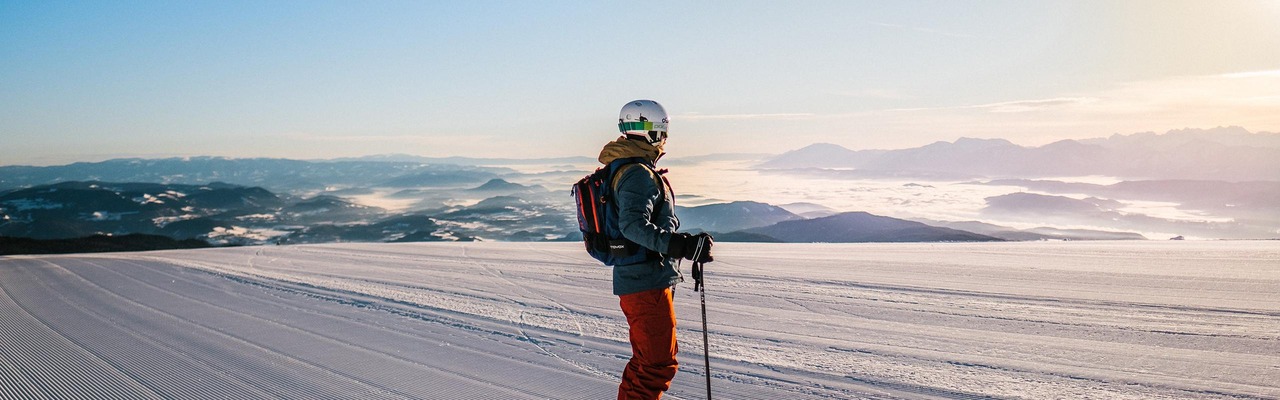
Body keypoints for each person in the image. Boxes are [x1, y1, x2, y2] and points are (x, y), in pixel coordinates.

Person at [599, 99, 714, 400]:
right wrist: (680, 244)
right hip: (645, 281)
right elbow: (632, 225)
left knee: (647, 363)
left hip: (643, 278)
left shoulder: (628, 167)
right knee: (656, 365)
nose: (665, 137)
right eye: (663, 130)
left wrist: (682, 243)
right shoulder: (637, 172)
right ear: (653, 131)